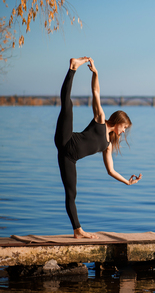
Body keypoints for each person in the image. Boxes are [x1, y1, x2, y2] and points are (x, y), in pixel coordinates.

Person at [54, 57, 142, 239]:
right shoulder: (100, 119)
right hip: (66, 140)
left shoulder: (107, 145)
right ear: (119, 122)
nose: (124, 132)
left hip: (69, 158)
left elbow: (111, 170)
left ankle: (77, 230)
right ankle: (72, 68)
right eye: (124, 127)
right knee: (68, 106)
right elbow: (96, 92)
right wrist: (96, 73)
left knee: (71, 193)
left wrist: (127, 182)